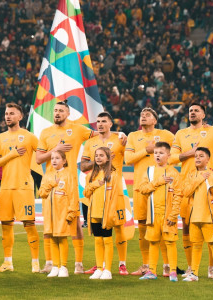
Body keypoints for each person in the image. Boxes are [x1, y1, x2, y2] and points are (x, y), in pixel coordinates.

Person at [36, 101, 126, 274]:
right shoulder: (46, 133)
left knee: (75, 222)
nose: (57, 113)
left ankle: (78, 263)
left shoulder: (77, 129)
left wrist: (119, 133)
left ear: (68, 113)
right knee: (50, 223)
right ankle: (50, 263)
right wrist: (56, 149)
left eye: (61, 110)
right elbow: (39, 159)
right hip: (50, 182)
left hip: (69, 182)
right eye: (55, 110)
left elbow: (101, 132)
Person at [170, 103, 213, 278]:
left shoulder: (212, 131)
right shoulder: (181, 134)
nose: (192, 113)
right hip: (188, 183)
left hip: (207, 183)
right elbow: (172, 158)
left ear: (203, 114)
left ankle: (212, 268)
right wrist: (190, 153)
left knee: (210, 227)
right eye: (190, 111)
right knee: (187, 226)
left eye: (196, 110)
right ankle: (191, 268)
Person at [0, 103, 41, 273]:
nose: (8, 116)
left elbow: (41, 157)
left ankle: (35, 262)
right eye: (6, 113)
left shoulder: (29, 137)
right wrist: (12, 154)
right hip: (5, 187)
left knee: (29, 223)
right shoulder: (0, 138)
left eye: (12, 113)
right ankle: (7, 262)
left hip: (24, 186)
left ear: (20, 116)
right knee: (6, 224)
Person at [125, 108, 174, 276]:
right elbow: (128, 159)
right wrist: (147, 150)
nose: (143, 116)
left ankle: (167, 266)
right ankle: (146, 265)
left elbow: (175, 153)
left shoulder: (166, 134)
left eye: (147, 115)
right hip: (142, 187)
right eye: (141, 115)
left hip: (163, 187)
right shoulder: (133, 136)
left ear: (155, 120)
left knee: (163, 226)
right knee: (143, 227)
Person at [81, 112, 129, 276]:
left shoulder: (120, 140)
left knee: (118, 226)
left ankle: (122, 264)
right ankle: (100, 264)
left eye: (104, 121)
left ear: (111, 124)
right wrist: (100, 160)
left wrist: (124, 136)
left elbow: (129, 157)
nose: (100, 124)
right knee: (99, 230)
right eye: (98, 121)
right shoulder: (91, 143)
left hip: (115, 188)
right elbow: (83, 166)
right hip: (97, 189)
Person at [138, 142, 182, 282]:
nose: (157, 155)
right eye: (156, 152)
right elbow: (143, 189)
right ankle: (152, 271)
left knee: (170, 242)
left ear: (168, 156)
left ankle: (173, 271)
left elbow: (178, 195)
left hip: (168, 214)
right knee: (153, 242)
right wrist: (158, 182)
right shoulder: (149, 171)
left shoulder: (173, 173)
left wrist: (173, 215)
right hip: (153, 213)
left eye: (161, 153)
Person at [182, 147, 213, 283]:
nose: (198, 158)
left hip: (209, 218)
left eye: (201, 156)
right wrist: (200, 179)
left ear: (208, 160)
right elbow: (186, 192)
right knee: (196, 245)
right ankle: (194, 273)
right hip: (194, 218)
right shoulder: (191, 175)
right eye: (196, 156)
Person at [83, 147, 124, 280]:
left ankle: (108, 270)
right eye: (97, 155)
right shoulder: (91, 176)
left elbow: (117, 196)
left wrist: (113, 213)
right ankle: (99, 268)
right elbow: (86, 193)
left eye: (101, 155)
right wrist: (95, 184)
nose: (98, 158)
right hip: (94, 212)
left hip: (107, 214)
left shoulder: (114, 175)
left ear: (108, 158)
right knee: (98, 241)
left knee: (107, 240)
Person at [38, 150, 77, 278]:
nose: (54, 160)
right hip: (50, 213)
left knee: (62, 238)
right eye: (53, 158)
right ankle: (55, 266)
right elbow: (42, 193)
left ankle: (63, 267)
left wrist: (72, 212)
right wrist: (52, 184)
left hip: (63, 212)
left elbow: (73, 194)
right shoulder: (48, 175)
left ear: (64, 161)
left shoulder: (69, 175)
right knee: (53, 238)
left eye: (57, 158)